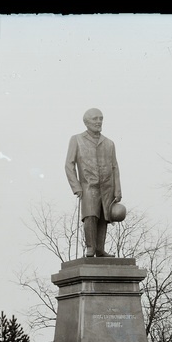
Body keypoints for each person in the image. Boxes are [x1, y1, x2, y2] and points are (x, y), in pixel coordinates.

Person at [65, 108, 122, 258]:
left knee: (104, 216)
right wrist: (76, 187)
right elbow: (69, 165)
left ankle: (100, 250)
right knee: (90, 216)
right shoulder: (76, 139)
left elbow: (115, 167)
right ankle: (91, 247)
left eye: (101, 118)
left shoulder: (109, 143)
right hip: (88, 186)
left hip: (107, 186)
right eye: (95, 119)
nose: (98, 122)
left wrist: (118, 190)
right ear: (86, 122)